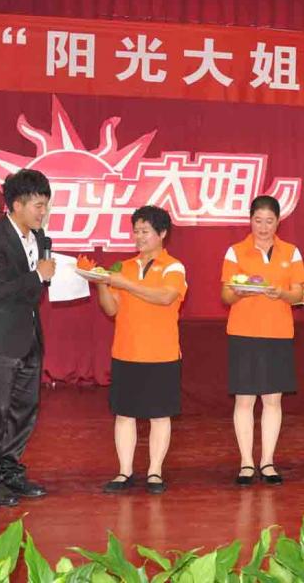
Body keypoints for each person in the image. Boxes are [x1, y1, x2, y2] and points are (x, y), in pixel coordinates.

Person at [0, 168, 54, 506]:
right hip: (1, 341)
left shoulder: (40, 237)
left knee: (23, 411)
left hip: (30, 337)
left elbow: (35, 288)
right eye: (38, 205)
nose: (43, 212)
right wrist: (37, 276)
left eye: (46, 204)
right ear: (16, 204)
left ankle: (9, 471)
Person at [96, 206, 188, 494]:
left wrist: (125, 284)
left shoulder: (174, 267)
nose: (139, 237)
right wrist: (103, 284)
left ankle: (155, 471)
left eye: (145, 231)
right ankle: (124, 472)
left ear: (162, 234)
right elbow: (111, 309)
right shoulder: (122, 267)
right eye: (136, 231)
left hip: (161, 353)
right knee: (124, 414)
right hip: (126, 350)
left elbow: (165, 297)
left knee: (160, 415)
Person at [221, 195, 304, 486]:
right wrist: (241, 292)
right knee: (244, 399)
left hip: (278, 333)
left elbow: (298, 294)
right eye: (258, 220)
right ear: (250, 220)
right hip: (243, 332)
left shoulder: (291, 252)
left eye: (269, 221)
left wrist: (281, 293)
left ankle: (267, 461)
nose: (263, 227)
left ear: (278, 222)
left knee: (272, 400)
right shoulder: (235, 252)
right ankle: (246, 462)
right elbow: (226, 294)